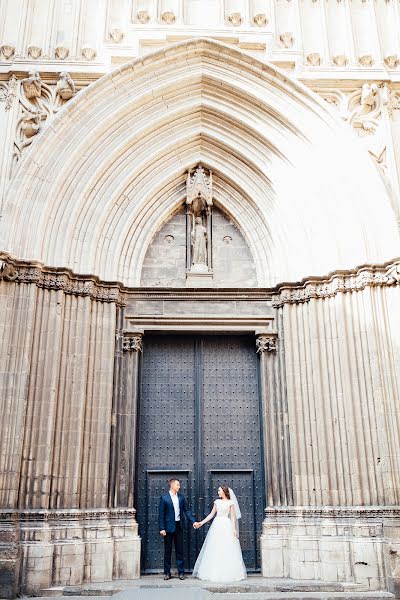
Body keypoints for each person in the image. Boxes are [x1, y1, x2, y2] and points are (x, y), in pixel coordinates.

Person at [193, 485, 247, 582]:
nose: (218, 492)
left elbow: (233, 518)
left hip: (227, 526)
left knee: (226, 548)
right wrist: (201, 523)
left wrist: (234, 529)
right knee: (215, 547)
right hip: (217, 526)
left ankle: (227, 573)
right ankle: (214, 572)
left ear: (224, 491)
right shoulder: (217, 502)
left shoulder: (231, 503)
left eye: (219, 490)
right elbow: (211, 514)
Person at [159, 478, 199, 580]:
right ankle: (167, 573)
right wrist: (162, 528)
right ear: (172, 485)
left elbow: (187, 510)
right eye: (177, 485)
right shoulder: (164, 498)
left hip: (179, 526)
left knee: (180, 550)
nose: (179, 486)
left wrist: (193, 521)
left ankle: (181, 572)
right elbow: (161, 515)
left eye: (179, 485)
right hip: (168, 528)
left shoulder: (181, 498)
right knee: (167, 551)